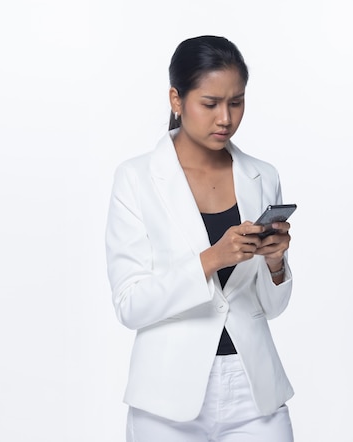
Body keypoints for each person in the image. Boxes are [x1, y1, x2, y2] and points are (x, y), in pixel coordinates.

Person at [105, 35, 295, 441]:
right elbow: (130, 305)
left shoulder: (263, 176)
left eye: (236, 101)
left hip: (255, 391)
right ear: (177, 99)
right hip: (167, 398)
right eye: (210, 104)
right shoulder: (135, 179)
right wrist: (212, 258)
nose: (225, 118)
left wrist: (276, 265)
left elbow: (271, 307)